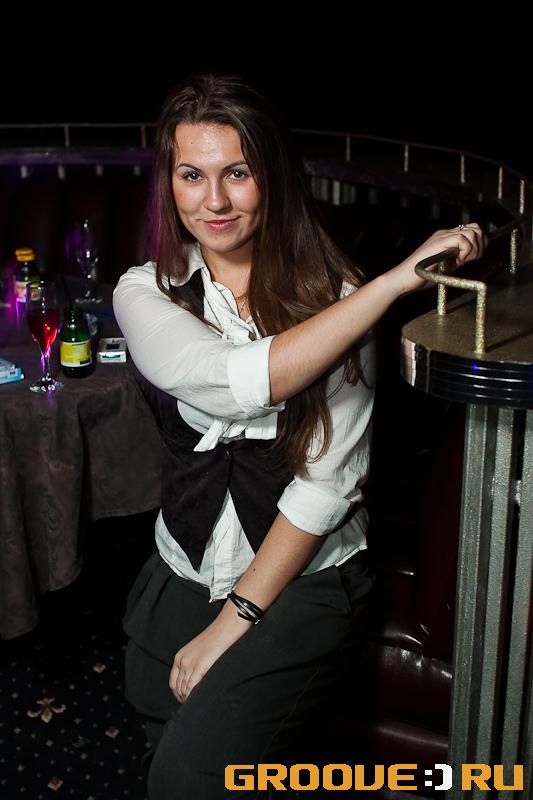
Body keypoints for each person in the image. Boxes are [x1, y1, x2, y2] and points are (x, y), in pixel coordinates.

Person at [113, 73, 486, 799]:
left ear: (273, 177)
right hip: (184, 565)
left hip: (302, 578)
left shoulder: (339, 300)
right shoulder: (144, 291)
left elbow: (326, 486)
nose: (214, 201)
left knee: (190, 779)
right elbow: (234, 380)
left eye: (237, 173)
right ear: (169, 184)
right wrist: (391, 286)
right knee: (162, 742)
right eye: (191, 175)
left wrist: (234, 620)